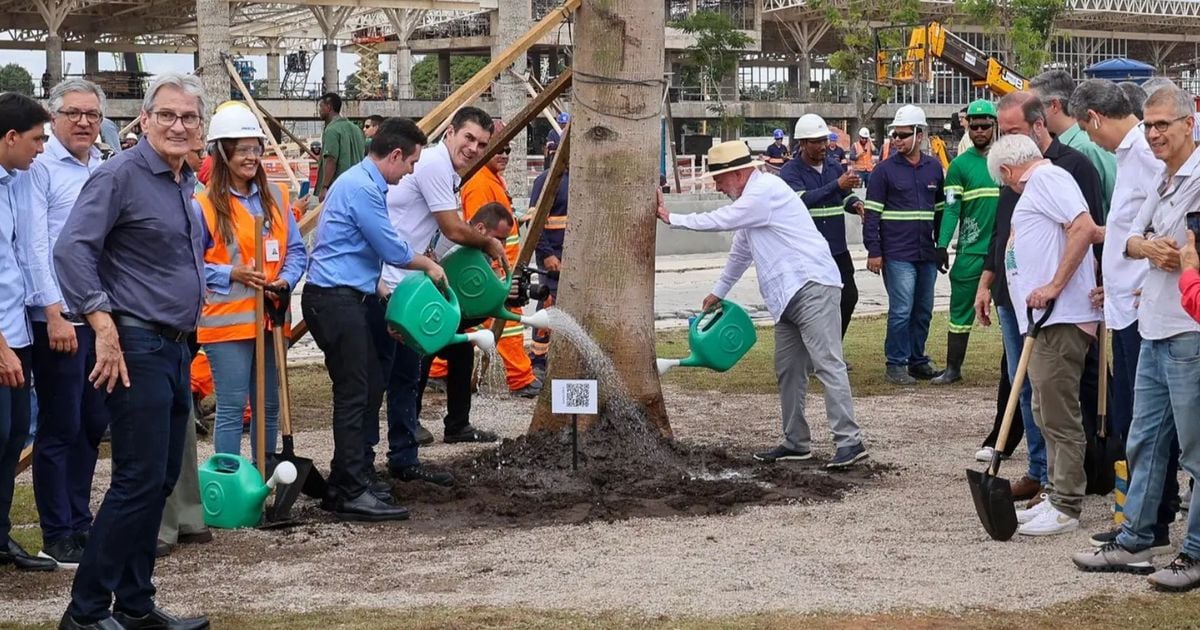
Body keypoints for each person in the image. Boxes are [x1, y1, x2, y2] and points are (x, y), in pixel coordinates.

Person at [54, 72, 211, 629]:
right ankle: (86, 611)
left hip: (174, 347)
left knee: (161, 479)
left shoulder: (182, 180)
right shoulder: (118, 175)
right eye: (166, 115)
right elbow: (72, 250)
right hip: (135, 344)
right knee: (136, 481)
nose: (177, 125)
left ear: (200, 126)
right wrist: (103, 322)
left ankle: (137, 605)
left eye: (188, 117)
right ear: (144, 120)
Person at [657, 141, 866, 467]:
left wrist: (673, 218)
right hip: (788, 296)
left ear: (738, 174)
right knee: (789, 370)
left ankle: (850, 443)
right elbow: (741, 249)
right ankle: (796, 442)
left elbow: (723, 220)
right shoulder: (754, 199)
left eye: (719, 179)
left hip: (811, 286)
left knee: (827, 364)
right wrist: (719, 291)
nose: (717, 186)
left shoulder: (763, 191)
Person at [1072, 86, 1200, 590]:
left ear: (1190, 123)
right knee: (1144, 438)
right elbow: (1126, 237)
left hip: (1190, 329)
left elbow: (1185, 251)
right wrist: (1152, 248)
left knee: (1194, 450)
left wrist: (1173, 255)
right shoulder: (1164, 177)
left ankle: (1194, 553)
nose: (1154, 134)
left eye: (1164, 124)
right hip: (1155, 325)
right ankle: (1137, 539)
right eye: (1149, 125)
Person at [303, 117, 442, 522]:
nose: (412, 171)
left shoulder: (360, 182)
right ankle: (349, 488)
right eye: (412, 162)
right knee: (355, 392)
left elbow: (355, 248)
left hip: (350, 295)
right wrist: (429, 268)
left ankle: (355, 476)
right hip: (335, 300)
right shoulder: (363, 187)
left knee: (368, 387)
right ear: (395, 155)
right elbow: (392, 247)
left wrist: (379, 288)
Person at [975, 91, 1109, 508]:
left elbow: (1086, 228)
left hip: (1059, 314)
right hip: (1036, 317)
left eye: (1005, 178)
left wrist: (1054, 284)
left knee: (1057, 411)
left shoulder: (1051, 177)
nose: (1007, 186)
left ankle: (1065, 498)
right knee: (1041, 408)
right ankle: (1052, 486)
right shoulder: (1033, 183)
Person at [382, 106, 507, 476]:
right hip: (391, 279)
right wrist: (488, 245)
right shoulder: (436, 163)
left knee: (415, 364)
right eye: (468, 138)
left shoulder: (449, 172)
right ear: (449, 132)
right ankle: (391, 461)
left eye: (481, 144)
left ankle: (408, 454)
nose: (473, 148)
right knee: (395, 371)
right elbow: (454, 228)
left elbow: (438, 232)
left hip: (407, 276)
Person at [24, 79, 112, 569]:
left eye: (92, 115)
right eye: (74, 113)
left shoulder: (100, 167)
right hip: (59, 318)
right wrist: (52, 310)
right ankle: (56, 531)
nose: (83, 122)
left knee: (92, 423)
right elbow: (37, 244)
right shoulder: (40, 169)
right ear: (54, 118)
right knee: (60, 426)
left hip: (98, 317)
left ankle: (80, 521)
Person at [195, 102, 307, 461]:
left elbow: (296, 252)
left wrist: (286, 281)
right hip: (228, 324)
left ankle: (267, 475)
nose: (251, 157)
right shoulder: (203, 204)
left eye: (255, 148)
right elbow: (190, 265)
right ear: (222, 152)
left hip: (272, 319)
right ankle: (228, 482)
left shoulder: (276, 196)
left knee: (269, 406)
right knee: (230, 407)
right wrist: (233, 273)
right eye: (242, 149)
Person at [0, 93, 56, 573]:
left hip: (16, 330)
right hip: (1, 339)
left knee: (13, 435)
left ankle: (0, 536)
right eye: (37, 139)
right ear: (11, 137)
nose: (42, 148)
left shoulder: (16, 180)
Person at [448, 119, 541, 397]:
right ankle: (520, 378)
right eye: (497, 149)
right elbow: (479, 232)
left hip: (501, 268)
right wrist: (491, 270)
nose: (503, 155)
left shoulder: (492, 179)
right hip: (493, 271)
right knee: (507, 323)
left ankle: (438, 371)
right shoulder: (479, 184)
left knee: (471, 323)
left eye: (508, 150)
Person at [863, 104, 945, 385]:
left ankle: (917, 360)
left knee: (923, 309)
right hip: (897, 253)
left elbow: (941, 212)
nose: (896, 141)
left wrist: (941, 247)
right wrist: (874, 251)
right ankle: (895, 363)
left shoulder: (934, 168)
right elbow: (871, 214)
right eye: (894, 135)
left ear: (919, 135)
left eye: (902, 135)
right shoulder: (883, 171)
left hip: (925, 252)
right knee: (901, 309)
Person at [932, 99, 1000, 385]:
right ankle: (953, 368)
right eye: (975, 126)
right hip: (972, 251)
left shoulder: (1009, 158)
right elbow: (951, 208)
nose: (980, 131)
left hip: (1007, 251)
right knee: (960, 309)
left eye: (986, 126)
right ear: (967, 127)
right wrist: (941, 244)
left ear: (995, 126)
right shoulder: (959, 166)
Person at [778, 114, 862, 338]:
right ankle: (813, 351)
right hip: (808, 253)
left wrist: (856, 205)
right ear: (803, 144)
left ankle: (832, 347)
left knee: (848, 297)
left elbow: (844, 197)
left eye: (824, 140)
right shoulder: (790, 172)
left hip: (837, 248)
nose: (823, 146)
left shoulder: (834, 167)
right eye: (816, 141)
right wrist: (837, 185)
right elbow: (801, 200)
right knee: (813, 303)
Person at [1031, 69, 1117, 217]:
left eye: (1034, 107)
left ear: (1055, 105)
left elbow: (1116, 198)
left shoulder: (1088, 147)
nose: (1030, 114)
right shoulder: (1061, 146)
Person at [528, 147, 569, 376]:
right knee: (548, 306)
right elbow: (534, 223)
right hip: (553, 257)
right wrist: (547, 254)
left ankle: (560, 356)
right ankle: (539, 360)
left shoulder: (582, 179)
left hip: (574, 258)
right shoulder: (546, 180)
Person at [313, 92, 365, 201]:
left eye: (321, 107)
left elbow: (331, 160)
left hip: (339, 189)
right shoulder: (356, 129)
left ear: (329, 107)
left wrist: (324, 187)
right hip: (357, 187)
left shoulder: (332, 130)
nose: (319, 111)